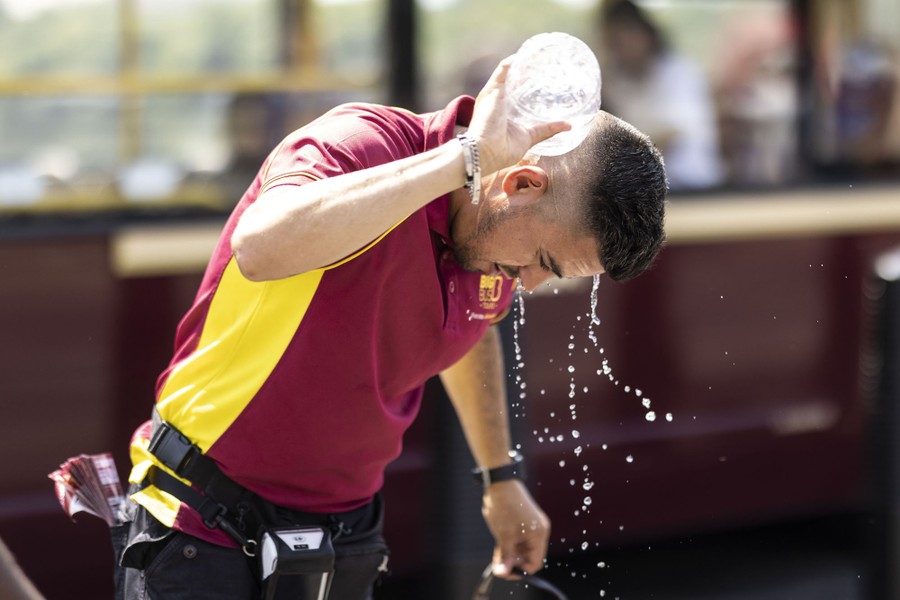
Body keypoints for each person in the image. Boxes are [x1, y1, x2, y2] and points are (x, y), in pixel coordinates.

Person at [114, 55, 667, 600]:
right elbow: (259, 247)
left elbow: (469, 334)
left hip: (344, 538)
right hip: (202, 518)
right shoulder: (362, 145)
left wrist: (501, 479)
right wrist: (462, 162)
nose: (530, 283)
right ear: (521, 184)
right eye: (544, 260)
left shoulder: (492, 243)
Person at [599, 0, 723, 190]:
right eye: (615, 42)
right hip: (652, 190)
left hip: (694, 185)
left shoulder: (679, 72)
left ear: (647, 35)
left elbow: (673, 135)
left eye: (628, 36)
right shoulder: (617, 81)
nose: (623, 48)